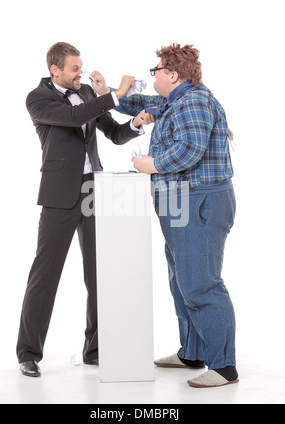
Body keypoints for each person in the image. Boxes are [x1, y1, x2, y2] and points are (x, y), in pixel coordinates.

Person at [91, 43, 238, 388]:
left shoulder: (195, 102)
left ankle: (223, 365)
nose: (151, 74)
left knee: (201, 283)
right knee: (181, 280)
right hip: (179, 201)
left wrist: (151, 165)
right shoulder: (174, 100)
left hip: (198, 202)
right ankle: (193, 351)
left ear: (172, 75)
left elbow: (191, 148)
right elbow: (139, 104)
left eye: (155, 70)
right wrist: (106, 92)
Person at [17, 42, 154, 377]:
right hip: (59, 196)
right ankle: (28, 352)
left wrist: (135, 123)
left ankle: (94, 350)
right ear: (55, 70)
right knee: (45, 275)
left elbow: (114, 133)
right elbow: (72, 117)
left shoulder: (90, 93)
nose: (81, 73)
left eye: (81, 67)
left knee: (99, 275)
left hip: (96, 191)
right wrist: (116, 93)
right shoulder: (38, 98)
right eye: (74, 69)